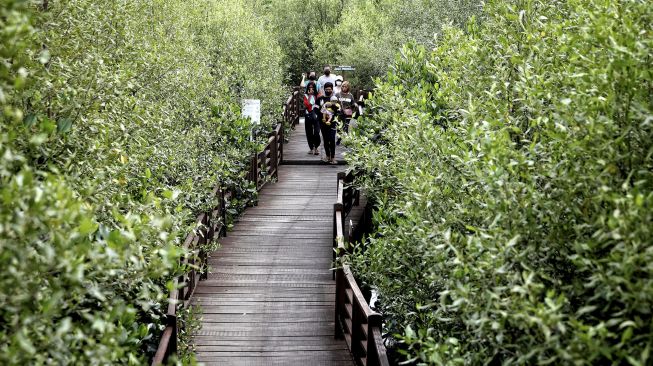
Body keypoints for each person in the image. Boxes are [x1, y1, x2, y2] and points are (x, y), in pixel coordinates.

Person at [317, 82, 339, 164]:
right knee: (325, 139)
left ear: (332, 89)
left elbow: (338, 111)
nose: (328, 90)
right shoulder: (320, 99)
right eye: (326, 89)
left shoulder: (335, 99)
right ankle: (327, 156)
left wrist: (333, 106)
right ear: (324, 89)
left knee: (332, 139)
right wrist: (319, 119)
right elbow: (316, 109)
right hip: (323, 123)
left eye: (330, 89)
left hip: (332, 122)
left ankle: (333, 157)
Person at [303, 82, 321, 155]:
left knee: (316, 132)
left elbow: (320, 104)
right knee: (309, 132)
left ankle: (316, 147)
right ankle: (311, 148)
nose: (311, 89)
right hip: (308, 114)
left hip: (316, 115)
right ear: (308, 88)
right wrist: (310, 95)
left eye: (312, 87)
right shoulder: (305, 95)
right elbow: (307, 104)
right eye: (309, 87)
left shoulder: (318, 95)